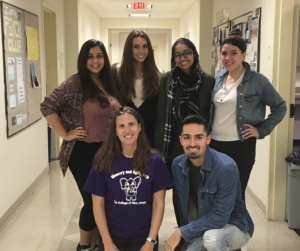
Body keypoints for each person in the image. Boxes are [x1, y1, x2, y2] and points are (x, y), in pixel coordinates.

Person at [40, 39, 122, 251]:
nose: (95, 61)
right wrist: (65, 134)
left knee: (102, 200)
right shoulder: (76, 83)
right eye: (90, 57)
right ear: (83, 60)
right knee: (92, 201)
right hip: (83, 151)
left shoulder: (109, 81)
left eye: (99, 56)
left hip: (107, 151)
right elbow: (47, 105)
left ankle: (95, 243)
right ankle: (84, 245)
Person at [209, 29, 287, 200]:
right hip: (214, 144)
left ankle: (238, 226)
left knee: (236, 194)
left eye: (233, 53)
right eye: (224, 54)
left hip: (241, 146)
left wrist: (261, 130)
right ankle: (216, 227)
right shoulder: (219, 77)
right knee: (214, 192)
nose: (228, 58)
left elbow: (280, 106)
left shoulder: (258, 81)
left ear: (243, 55)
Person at [84, 106, 172, 251]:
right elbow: (97, 205)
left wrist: (150, 241)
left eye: (131, 124)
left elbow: (158, 204)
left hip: (144, 236)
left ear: (139, 127)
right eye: (121, 126)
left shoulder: (155, 161)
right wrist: (107, 243)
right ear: (115, 132)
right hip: (111, 236)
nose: (127, 131)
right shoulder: (103, 160)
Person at [165, 115, 254, 251]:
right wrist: (185, 240)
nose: (192, 143)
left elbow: (220, 217)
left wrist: (181, 232)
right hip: (203, 228)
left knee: (212, 240)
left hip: (233, 225)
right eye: (187, 137)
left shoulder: (225, 168)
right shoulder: (177, 164)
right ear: (181, 140)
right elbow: (180, 206)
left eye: (198, 137)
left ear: (208, 139)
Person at [111, 30, 163, 147]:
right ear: (129, 49)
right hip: (123, 138)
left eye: (145, 46)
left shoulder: (158, 74)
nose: (141, 51)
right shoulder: (116, 73)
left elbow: (160, 114)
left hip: (149, 140)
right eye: (136, 47)